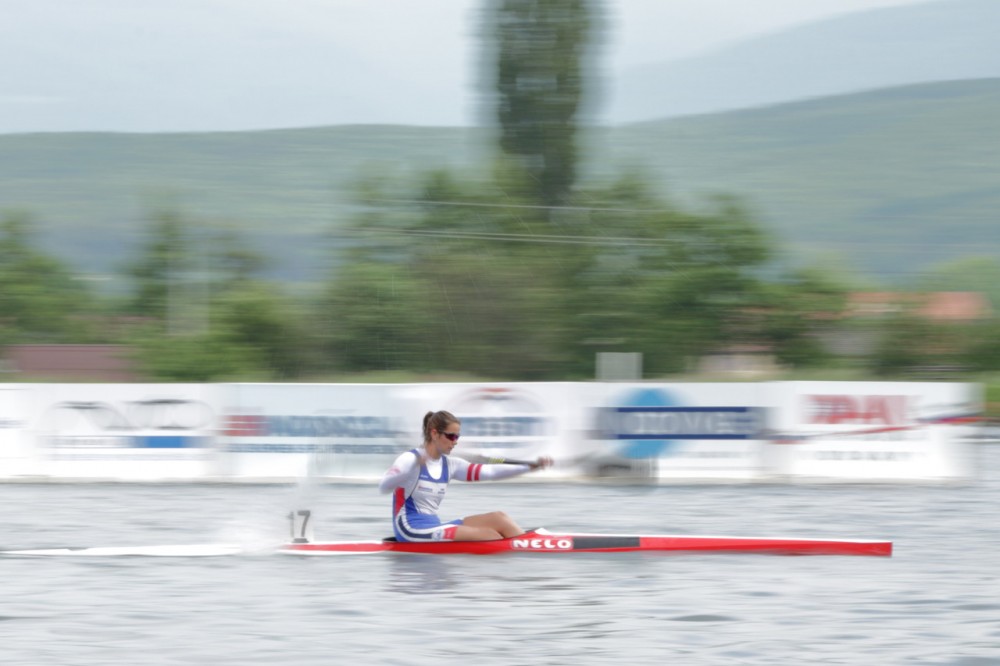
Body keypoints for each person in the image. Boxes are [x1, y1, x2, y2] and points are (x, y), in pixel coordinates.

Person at [378, 410, 552, 542]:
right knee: (489, 535)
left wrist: (529, 467)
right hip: (409, 529)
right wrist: (409, 469)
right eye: (451, 436)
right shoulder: (410, 458)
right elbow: (384, 486)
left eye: (457, 437)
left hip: (434, 525)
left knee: (499, 518)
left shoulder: (451, 464)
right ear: (434, 433)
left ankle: (527, 546)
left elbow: (489, 472)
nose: (455, 441)